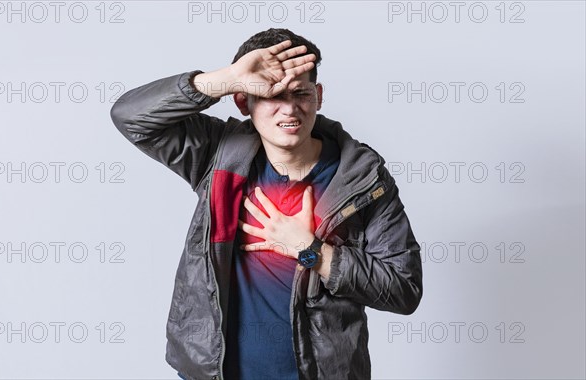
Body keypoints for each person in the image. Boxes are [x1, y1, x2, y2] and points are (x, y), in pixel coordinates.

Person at [110, 28, 422, 380]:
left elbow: (403, 289)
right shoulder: (218, 154)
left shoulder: (362, 178)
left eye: (301, 93)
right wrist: (226, 79)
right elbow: (130, 117)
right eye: (273, 95)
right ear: (244, 101)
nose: (290, 110)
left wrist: (311, 251)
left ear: (318, 96)